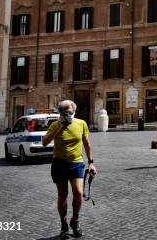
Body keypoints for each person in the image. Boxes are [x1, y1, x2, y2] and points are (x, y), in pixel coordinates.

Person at [42, 100, 96, 239]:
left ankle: (75, 221)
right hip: (59, 164)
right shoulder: (54, 125)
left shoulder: (81, 123)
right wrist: (60, 127)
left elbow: (87, 143)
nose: (68, 115)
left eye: (71, 113)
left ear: (74, 112)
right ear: (60, 113)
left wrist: (91, 163)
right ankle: (64, 224)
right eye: (65, 113)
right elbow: (44, 142)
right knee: (62, 195)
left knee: (78, 192)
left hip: (76, 163)